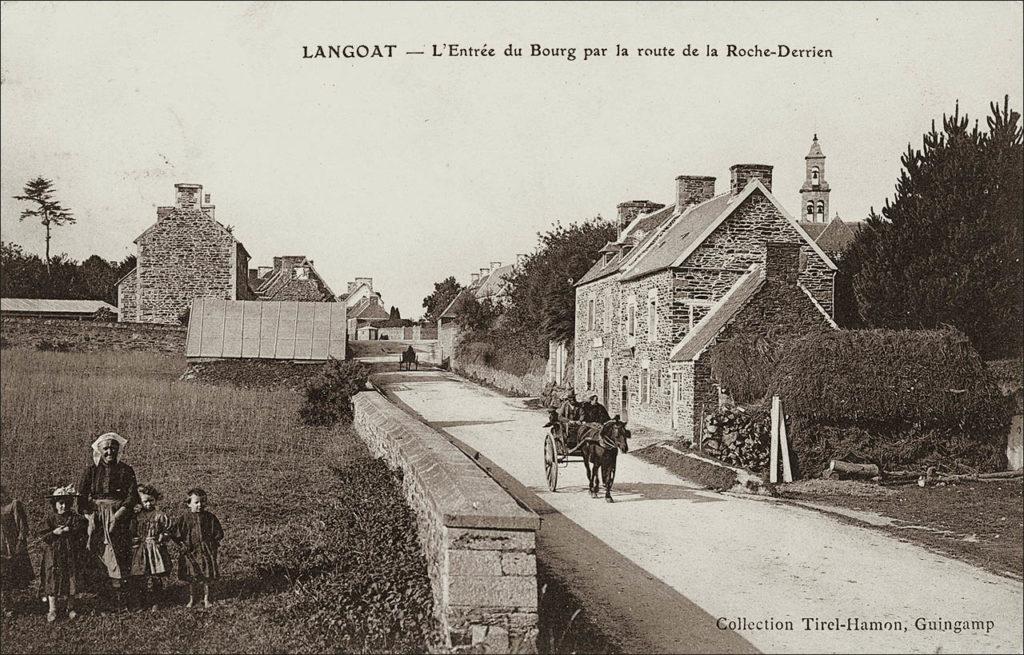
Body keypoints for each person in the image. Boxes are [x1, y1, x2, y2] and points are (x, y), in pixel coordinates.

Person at [78, 432, 140, 612]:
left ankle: (122, 598)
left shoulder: (126, 470)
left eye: (113, 448)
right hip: (96, 518)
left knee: (120, 553)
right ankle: (103, 598)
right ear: (100, 450)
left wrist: (118, 514)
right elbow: (81, 499)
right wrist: (90, 518)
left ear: (118, 449)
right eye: (106, 448)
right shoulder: (91, 471)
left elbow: (131, 496)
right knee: (98, 554)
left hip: (119, 517)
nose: (109, 451)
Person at [38, 484, 87, 623]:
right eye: (60, 503)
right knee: (52, 577)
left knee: (71, 576)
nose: (63, 506)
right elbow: (43, 536)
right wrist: (54, 532)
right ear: (55, 504)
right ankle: (52, 609)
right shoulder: (50, 518)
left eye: (66, 503)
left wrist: (70, 530)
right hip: (53, 553)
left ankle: (70, 607)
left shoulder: (74, 517)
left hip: (70, 552)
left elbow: (82, 529)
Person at [170, 488, 223, 608]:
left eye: (203, 502)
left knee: (206, 575)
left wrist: (213, 545)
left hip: (205, 550)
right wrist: (182, 545)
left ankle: (206, 598)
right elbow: (175, 533)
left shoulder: (210, 517)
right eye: (196, 502)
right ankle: (192, 599)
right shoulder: (184, 518)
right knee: (192, 576)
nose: (200, 505)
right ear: (189, 504)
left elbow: (218, 533)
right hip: (191, 551)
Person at [129, 484, 171, 612]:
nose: (148, 504)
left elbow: (168, 529)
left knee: (155, 575)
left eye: (151, 500)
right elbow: (132, 530)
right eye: (145, 501)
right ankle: (141, 601)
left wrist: (162, 536)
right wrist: (134, 538)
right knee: (141, 575)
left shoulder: (159, 515)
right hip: (141, 548)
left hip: (154, 548)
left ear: (156, 500)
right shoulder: (137, 515)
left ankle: (156, 601)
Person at [1, 485, 34, 617]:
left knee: (5, 577)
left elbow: (22, 527)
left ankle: (7, 605)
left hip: (9, 548)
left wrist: (19, 544)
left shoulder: (13, 505)